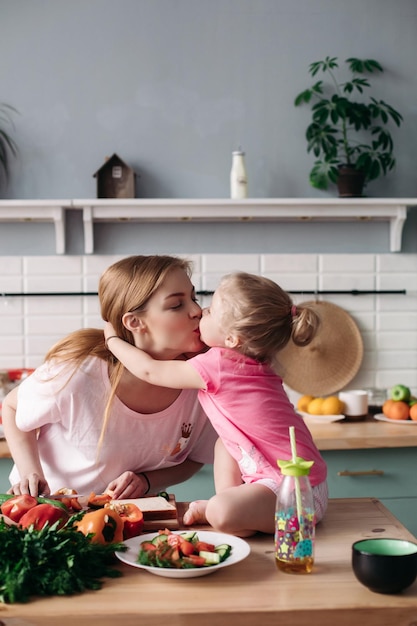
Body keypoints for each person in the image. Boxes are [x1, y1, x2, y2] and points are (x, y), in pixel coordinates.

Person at [104, 271, 328, 536]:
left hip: (297, 496)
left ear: (233, 339)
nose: (200, 312)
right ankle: (239, 512)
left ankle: (223, 511)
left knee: (219, 511)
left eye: (210, 311)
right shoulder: (253, 362)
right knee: (223, 443)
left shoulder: (219, 365)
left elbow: (150, 370)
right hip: (304, 484)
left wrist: (112, 339)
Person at [2, 255, 217, 499]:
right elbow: (11, 406)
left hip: (133, 522)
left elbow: (196, 458)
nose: (197, 310)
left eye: (194, 298)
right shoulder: (79, 374)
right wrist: (30, 471)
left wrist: (146, 482)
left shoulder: (201, 381)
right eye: (177, 305)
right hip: (50, 512)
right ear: (134, 322)